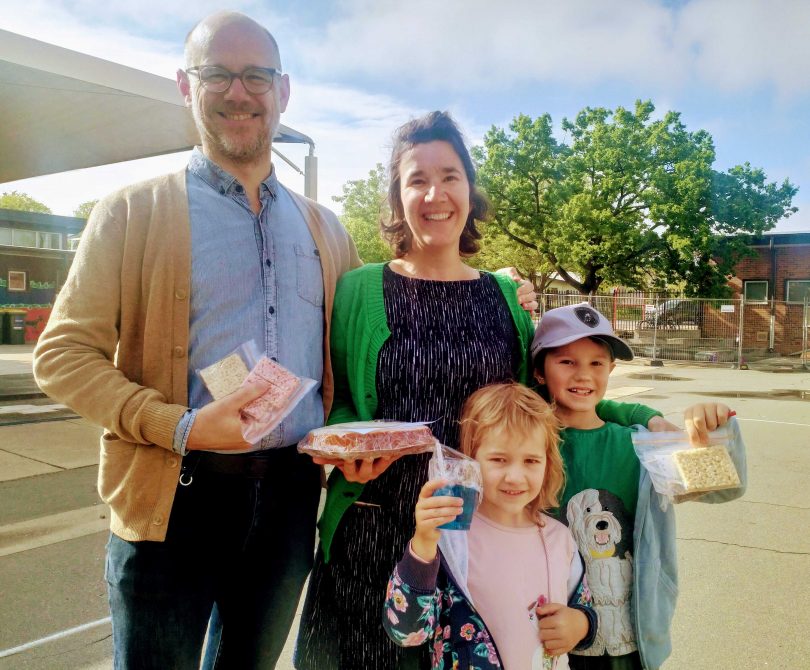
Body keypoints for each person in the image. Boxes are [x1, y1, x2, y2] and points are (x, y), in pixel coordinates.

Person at [32, 11, 363, 669]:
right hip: (171, 496)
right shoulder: (132, 211)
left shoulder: (327, 231)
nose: (237, 93)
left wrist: (492, 283)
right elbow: (62, 354)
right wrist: (180, 425)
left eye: (255, 76)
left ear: (283, 91)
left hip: (291, 499)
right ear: (186, 86)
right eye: (217, 74)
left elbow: (355, 355)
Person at [294, 111, 663, 670]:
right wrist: (347, 455)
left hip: (482, 539)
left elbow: (544, 402)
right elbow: (341, 399)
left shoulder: (505, 300)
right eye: (416, 179)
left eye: (449, 176)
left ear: (469, 191)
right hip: (377, 534)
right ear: (397, 195)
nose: (434, 193)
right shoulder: (359, 290)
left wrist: (636, 413)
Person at [531, 302, 747, 670]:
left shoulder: (638, 445)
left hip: (627, 636)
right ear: (539, 372)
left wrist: (710, 431)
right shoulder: (525, 446)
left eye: (597, 363)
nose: (583, 375)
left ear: (612, 369)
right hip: (544, 631)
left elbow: (722, 489)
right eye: (567, 362)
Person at [383, 382, 596, 670]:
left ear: (549, 463)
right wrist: (423, 542)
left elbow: (584, 605)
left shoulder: (560, 538)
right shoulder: (451, 539)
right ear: (470, 460)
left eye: (531, 460)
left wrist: (580, 625)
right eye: (499, 459)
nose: (515, 477)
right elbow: (407, 632)